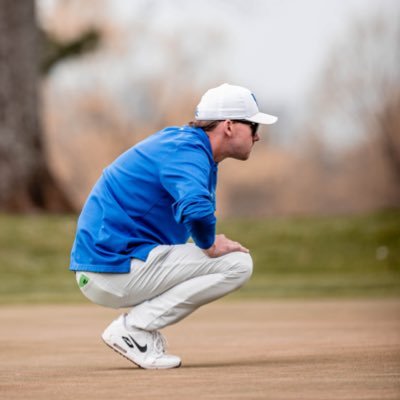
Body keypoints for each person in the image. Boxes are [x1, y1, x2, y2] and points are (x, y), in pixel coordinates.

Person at [69, 83, 278, 369]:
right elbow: (195, 210)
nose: (258, 136)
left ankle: (137, 329)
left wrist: (205, 244)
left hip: (109, 265)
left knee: (223, 258)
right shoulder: (188, 150)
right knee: (238, 263)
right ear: (228, 126)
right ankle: (134, 329)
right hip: (112, 266)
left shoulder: (184, 145)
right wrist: (210, 244)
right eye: (253, 126)